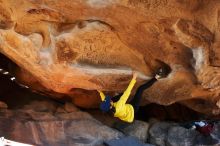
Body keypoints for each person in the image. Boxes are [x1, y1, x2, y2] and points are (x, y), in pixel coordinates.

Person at [98, 64, 171, 123]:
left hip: (126, 109)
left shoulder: (110, 108)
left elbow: (104, 99)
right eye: (108, 101)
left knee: (114, 98)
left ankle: (118, 95)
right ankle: (156, 77)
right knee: (140, 89)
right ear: (110, 106)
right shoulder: (119, 106)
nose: (108, 100)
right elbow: (127, 93)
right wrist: (134, 78)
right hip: (133, 109)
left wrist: (99, 91)